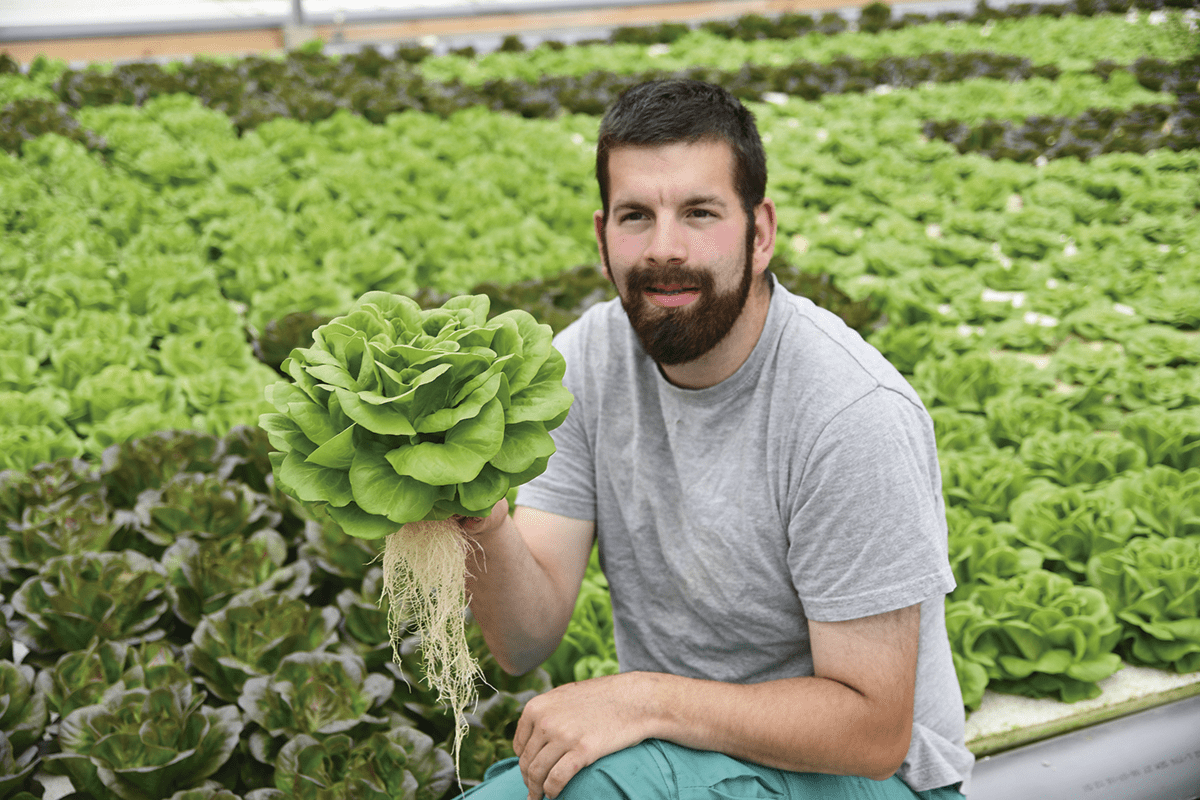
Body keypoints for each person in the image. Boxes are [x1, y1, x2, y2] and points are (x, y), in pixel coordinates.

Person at [455, 78, 975, 800]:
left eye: (699, 213)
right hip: (688, 747)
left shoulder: (849, 412)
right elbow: (523, 641)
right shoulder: (587, 362)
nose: (666, 249)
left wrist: (642, 699)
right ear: (602, 237)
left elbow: (873, 731)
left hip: (871, 780)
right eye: (636, 216)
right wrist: (476, 512)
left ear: (760, 234)